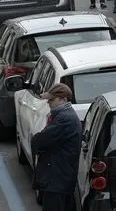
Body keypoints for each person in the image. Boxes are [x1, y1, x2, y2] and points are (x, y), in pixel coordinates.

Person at [31, 83, 81, 211]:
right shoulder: (63, 116)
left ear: (64, 99)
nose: (48, 103)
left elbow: (40, 140)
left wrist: (37, 142)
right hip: (60, 177)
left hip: (58, 179)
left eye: (52, 100)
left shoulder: (64, 118)